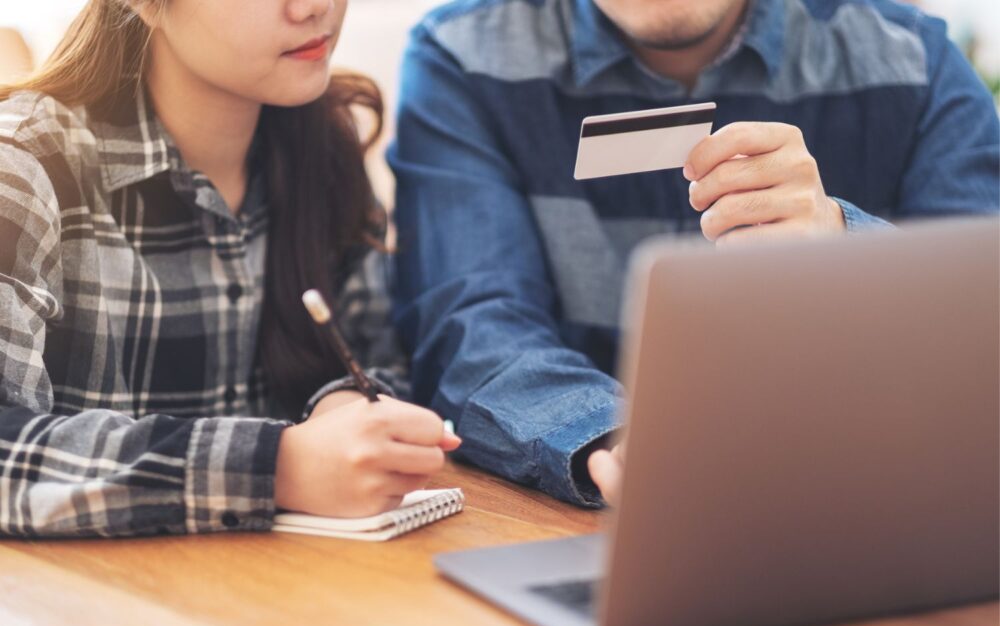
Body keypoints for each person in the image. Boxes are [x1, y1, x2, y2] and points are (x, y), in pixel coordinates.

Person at [388, 0, 1000, 507]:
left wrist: (845, 246)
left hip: (866, 515)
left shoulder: (913, 59)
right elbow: (471, 327)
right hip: (583, 527)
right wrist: (615, 440)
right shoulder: (465, 55)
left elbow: (983, 331)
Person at [0, 0, 461, 538]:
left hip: (286, 600)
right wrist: (277, 467)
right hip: (88, 611)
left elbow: (375, 359)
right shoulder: (25, 166)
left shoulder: (327, 149)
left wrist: (345, 405)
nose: (316, 8)